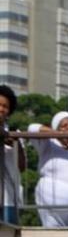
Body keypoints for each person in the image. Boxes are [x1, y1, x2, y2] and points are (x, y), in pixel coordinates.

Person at [0, 85, 20, 225]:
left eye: (5, 106)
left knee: (8, 234)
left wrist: (16, 145)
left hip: (8, 198)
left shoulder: (13, 132)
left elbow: (22, 166)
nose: (1, 109)